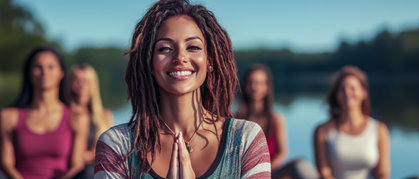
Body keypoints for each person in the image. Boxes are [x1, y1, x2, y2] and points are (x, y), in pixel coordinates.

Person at [94, 0, 271, 178]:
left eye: (193, 47)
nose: (180, 57)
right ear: (149, 62)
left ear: (209, 61)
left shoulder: (245, 140)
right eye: (165, 48)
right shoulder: (116, 145)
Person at [0, 46, 89, 179]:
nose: (44, 72)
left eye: (51, 67)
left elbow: (77, 165)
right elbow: (6, 164)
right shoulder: (8, 117)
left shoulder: (77, 117)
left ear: (61, 73)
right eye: (38, 67)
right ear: (30, 73)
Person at [237, 64, 319, 179]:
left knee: (300, 165)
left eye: (260, 83)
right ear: (244, 85)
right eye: (251, 82)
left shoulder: (277, 119)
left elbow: (282, 153)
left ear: (267, 87)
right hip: (245, 175)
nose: (255, 87)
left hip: (271, 172)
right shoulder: (236, 119)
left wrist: (264, 171)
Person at [313, 66, 390, 179]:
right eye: (342, 89)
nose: (347, 92)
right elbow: (324, 173)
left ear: (364, 92)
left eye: (352, 88)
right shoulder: (322, 131)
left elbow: (382, 173)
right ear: (336, 95)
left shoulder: (379, 129)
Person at [69, 64, 114, 179]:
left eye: (85, 80)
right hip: (69, 167)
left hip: (94, 168)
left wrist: (87, 156)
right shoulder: (65, 113)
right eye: (76, 79)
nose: (81, 84)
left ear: (92, 84)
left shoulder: (104, 115)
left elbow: (109, 150)